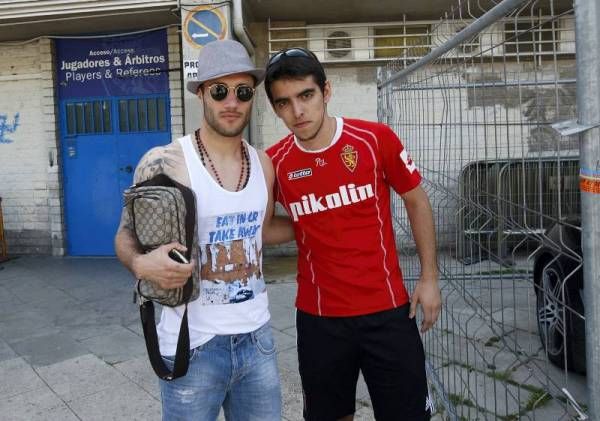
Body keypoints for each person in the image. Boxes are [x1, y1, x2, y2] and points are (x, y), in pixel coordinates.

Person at [115, 39, 289, 421]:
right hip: (192, 346)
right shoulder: (166, 162)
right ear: (201, 94)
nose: (232, 102)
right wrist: (143, 265)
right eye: (220, 91)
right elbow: (125, 235)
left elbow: (261, 231)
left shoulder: (264, 164)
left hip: (257, 340)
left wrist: (317, 225)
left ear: (252, 96)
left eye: (242, 92)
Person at [264, 48, 442, 421]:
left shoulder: (373, 139)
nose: (297, 111)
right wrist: (314, 221)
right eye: (284, 103)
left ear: (326, 92)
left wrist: (429, 278)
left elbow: (416, 200)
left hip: (388, 311)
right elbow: (265, 229)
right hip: (319, 318)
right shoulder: (274, 163)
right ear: (275, 108)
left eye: (306, 96)